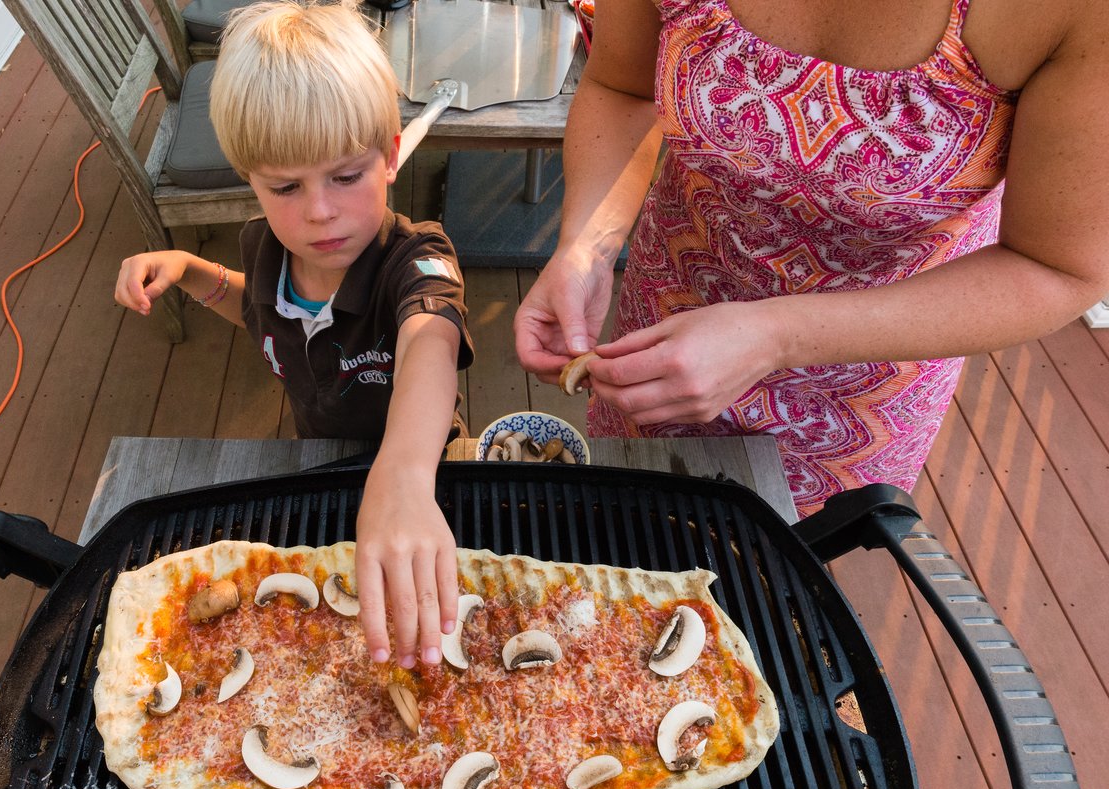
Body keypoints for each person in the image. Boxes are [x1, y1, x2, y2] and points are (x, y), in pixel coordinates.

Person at [515, 0, 1108, 515]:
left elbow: (1055, 267)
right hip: (661, 322)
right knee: (623, 526)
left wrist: (777, 336)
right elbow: (623, 87)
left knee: (769, 586)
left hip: (858, 385)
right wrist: (586, 249)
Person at [114, 0, 474, 668]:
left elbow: (431, 338)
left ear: (391, 156)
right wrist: (192, 272)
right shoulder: (263, 249)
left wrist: (401, 478)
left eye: (346, 175)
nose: (320, 211)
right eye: (285, 186)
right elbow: (264, 315)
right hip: (317, 463)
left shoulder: (416, 259)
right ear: (249, 179)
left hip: (426, 485)